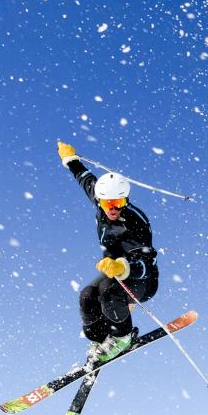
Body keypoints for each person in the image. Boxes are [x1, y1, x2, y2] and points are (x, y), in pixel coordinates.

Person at [57, 140, 159, 365]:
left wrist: (122, 267)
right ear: (100, 200)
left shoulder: (135, 221)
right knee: (86, 296)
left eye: (119, 202)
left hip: (142, 279)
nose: (113, 208)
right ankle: (99, 339)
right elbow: (85, 179)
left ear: (126, 199)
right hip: (114, 272)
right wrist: (71, 159)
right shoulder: (101, 201)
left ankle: (123, 338)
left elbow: (145, 261)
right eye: (107, 203)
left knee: (107, 291)